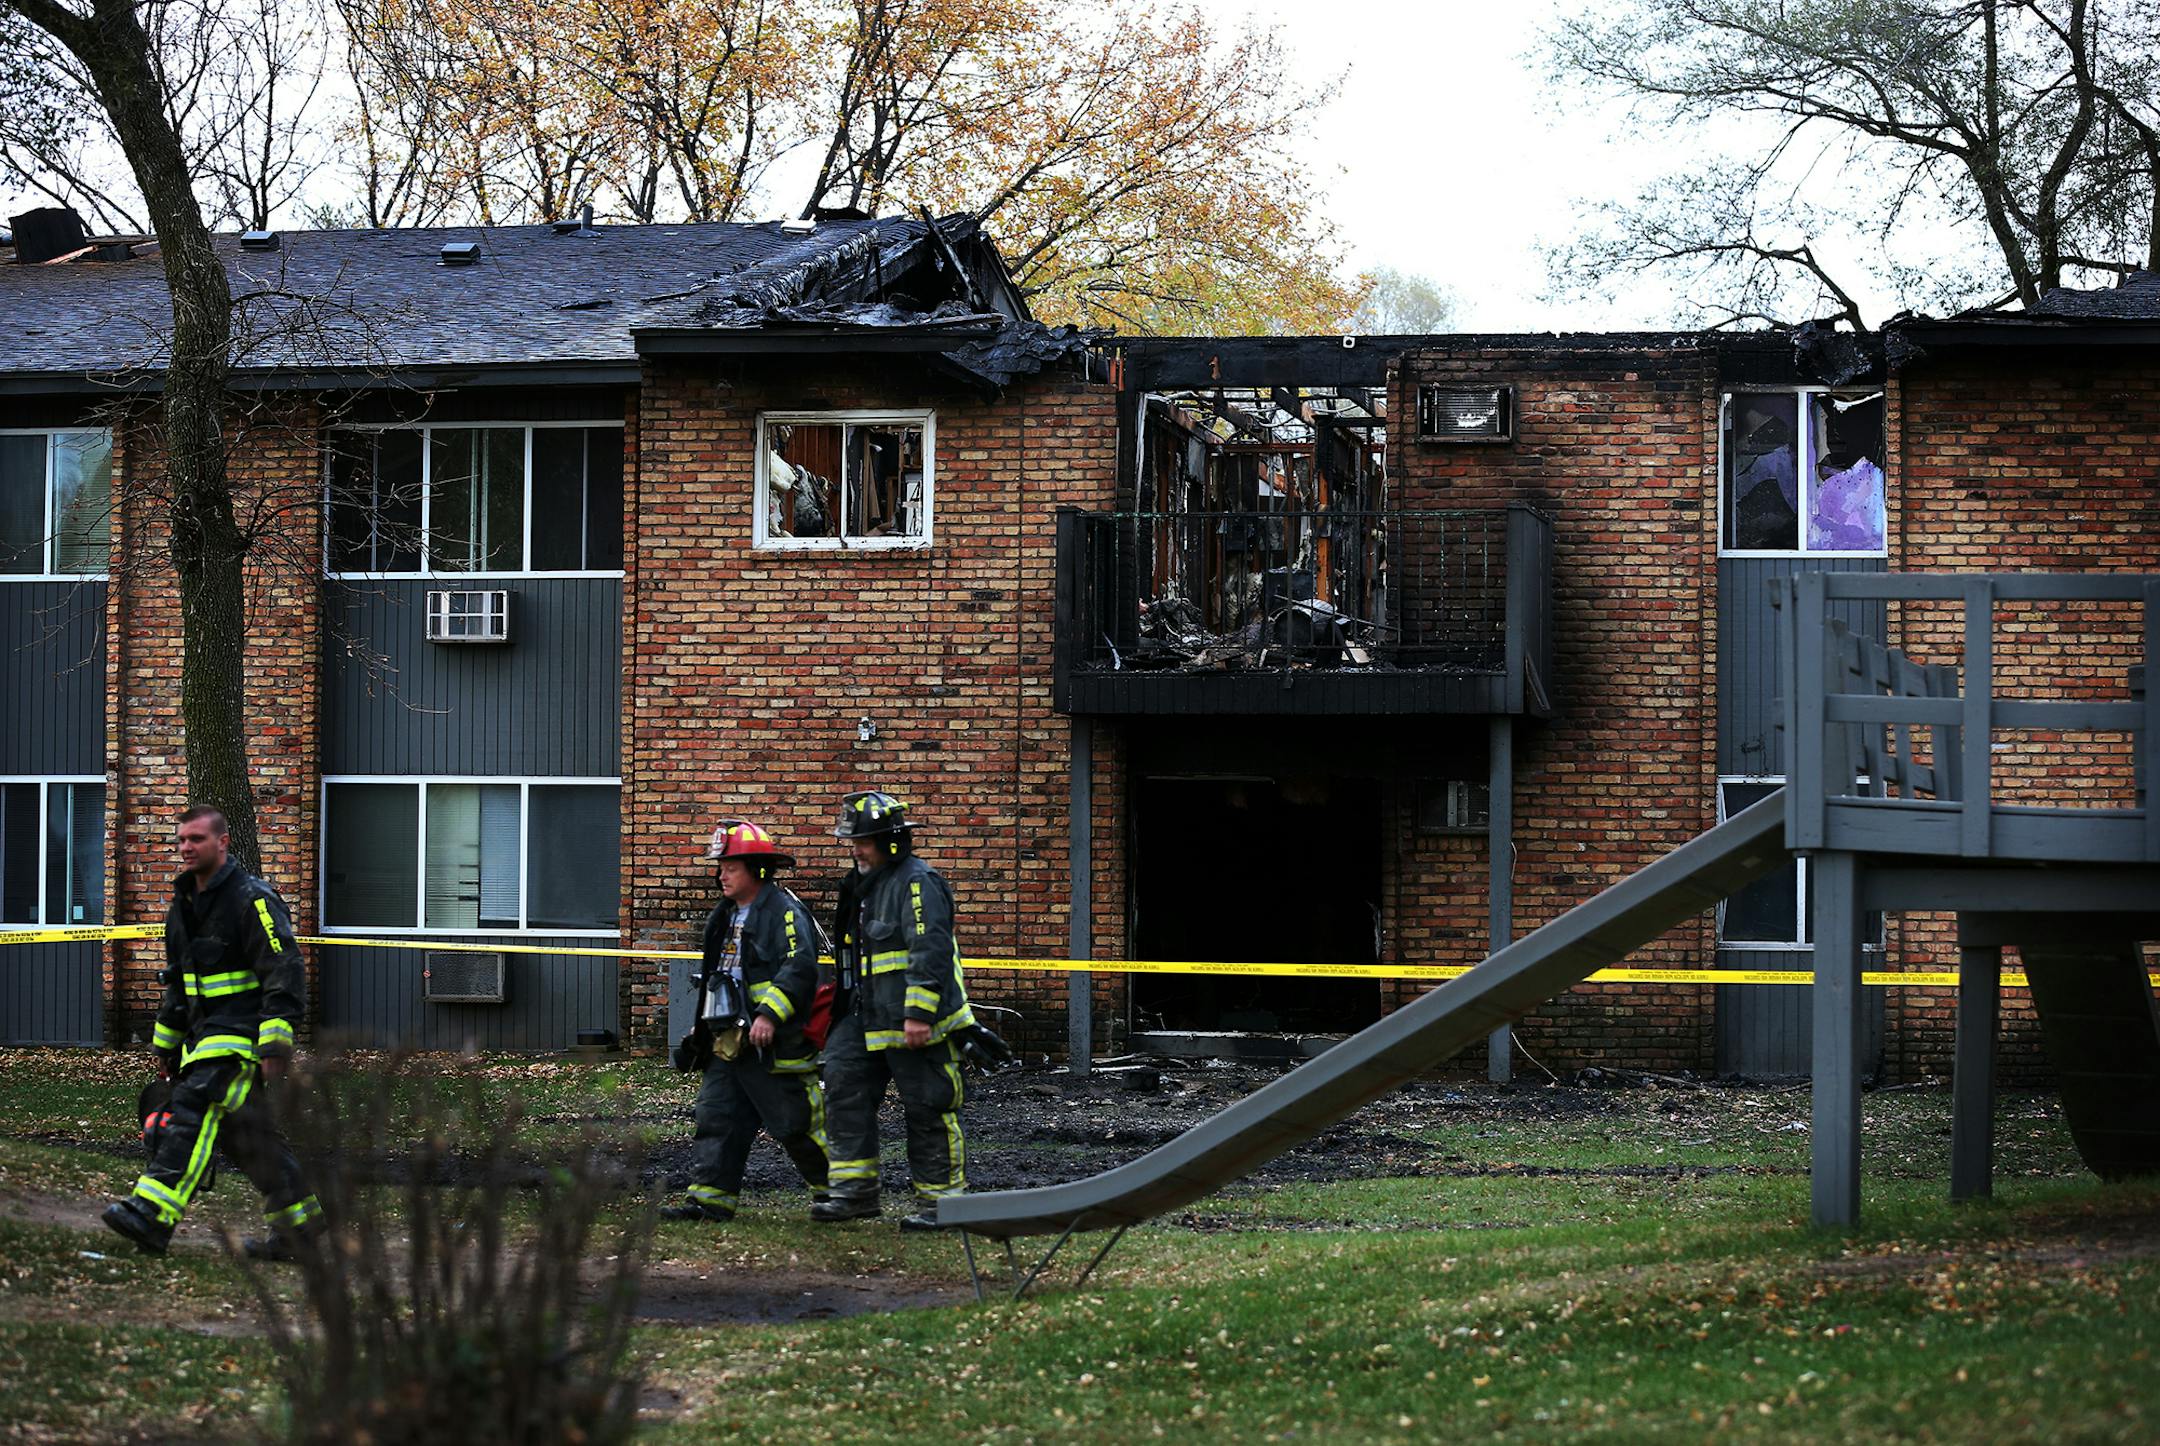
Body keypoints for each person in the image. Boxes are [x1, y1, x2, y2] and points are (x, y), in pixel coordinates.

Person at [101, 805, 321, 1261]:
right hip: (202, 1041)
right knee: (247, 1139)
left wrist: (275, 1040)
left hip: (239, 1039)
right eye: (181, 839)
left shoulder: (251, 899)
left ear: (223, 843)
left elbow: (285, 969)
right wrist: (165, 1043)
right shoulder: (182, 909)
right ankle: (300, 1231)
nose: (186, 847)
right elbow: (179, 984)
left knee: (193, 1110)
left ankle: (152, 1214)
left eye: (196, 839)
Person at [811, 790, 974, 1230]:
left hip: (917, 1022)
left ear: (891, 842)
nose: (855, 849)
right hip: (866, 1018)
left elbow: (930, 949)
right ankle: (854, 1193)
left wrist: (919, 1012)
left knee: (928, 1106)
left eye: (862, 841)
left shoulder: (918, 882)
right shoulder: (865, 886)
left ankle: (943, 1206)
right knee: (842, 1087)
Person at [665, 820, 830, 1222]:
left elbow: (799, 968)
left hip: (775, 1044)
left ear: (757, 869)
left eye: (730, 866)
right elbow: (718, 976)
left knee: (796, 1125)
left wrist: (769, 1015)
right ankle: (710, 1202)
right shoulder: (723, 916)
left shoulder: (784, 913)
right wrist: (702, 1026)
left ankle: (841, 1193)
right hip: (730, 1043)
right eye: (720, 866)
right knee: (716, 1115)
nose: (721, 873)